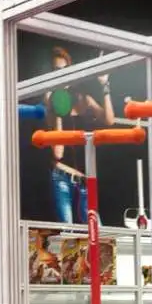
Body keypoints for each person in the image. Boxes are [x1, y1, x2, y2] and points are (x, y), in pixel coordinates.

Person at [43, 45, 115, 223]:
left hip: (85, 179)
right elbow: (58, 153)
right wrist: (57, 110)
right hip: (61, 176)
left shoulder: (84, 99)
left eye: (65, 69)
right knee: (68, 234)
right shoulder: (50, 99)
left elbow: (109, 120)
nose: (62, 74)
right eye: (57, 70)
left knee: (96, 231)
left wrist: (104, 85)